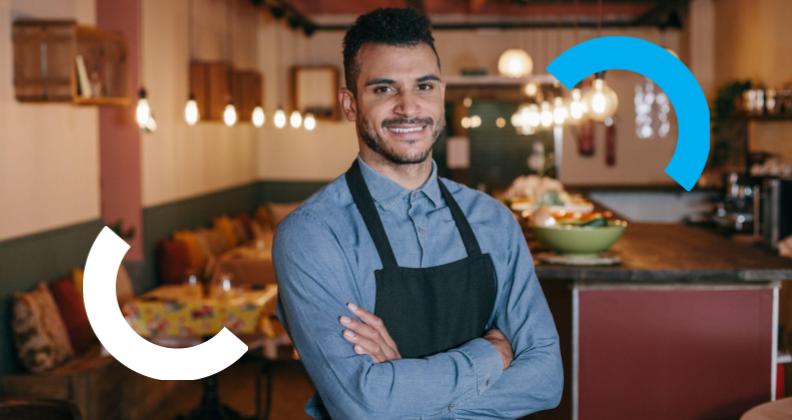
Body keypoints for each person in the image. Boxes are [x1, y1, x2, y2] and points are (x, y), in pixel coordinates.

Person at [273, 8, 562, 419]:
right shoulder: (312, 235)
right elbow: (363, 407)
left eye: (423, 86)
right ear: (350, 104)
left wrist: (402, 394)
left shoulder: (493, 222)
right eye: (383, 89)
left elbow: (545, 381)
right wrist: (491, 355)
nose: (409, 108)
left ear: (441, 93)